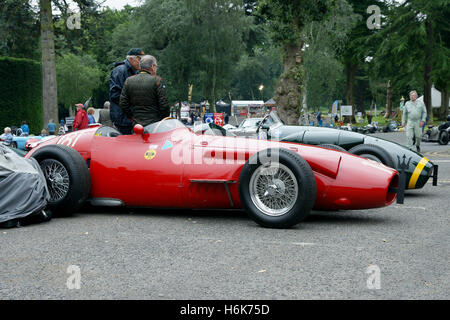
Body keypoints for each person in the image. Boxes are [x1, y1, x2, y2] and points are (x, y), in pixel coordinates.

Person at [119, 55, 169, 128]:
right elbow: (164, 105)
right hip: (154, 125)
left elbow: (123, 103)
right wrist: (161, 118)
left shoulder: (128, 81)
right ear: (152, 67)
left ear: (140, 67)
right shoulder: (157, 81)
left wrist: (131, 116)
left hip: (136, 124)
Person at [109, 48, 145, 135]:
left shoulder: (137, 72)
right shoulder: (120, 71)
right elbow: (115, 95)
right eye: (140, 59)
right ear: (131, 59)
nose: (142, 62)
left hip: (133, 118)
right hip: (123, 119)